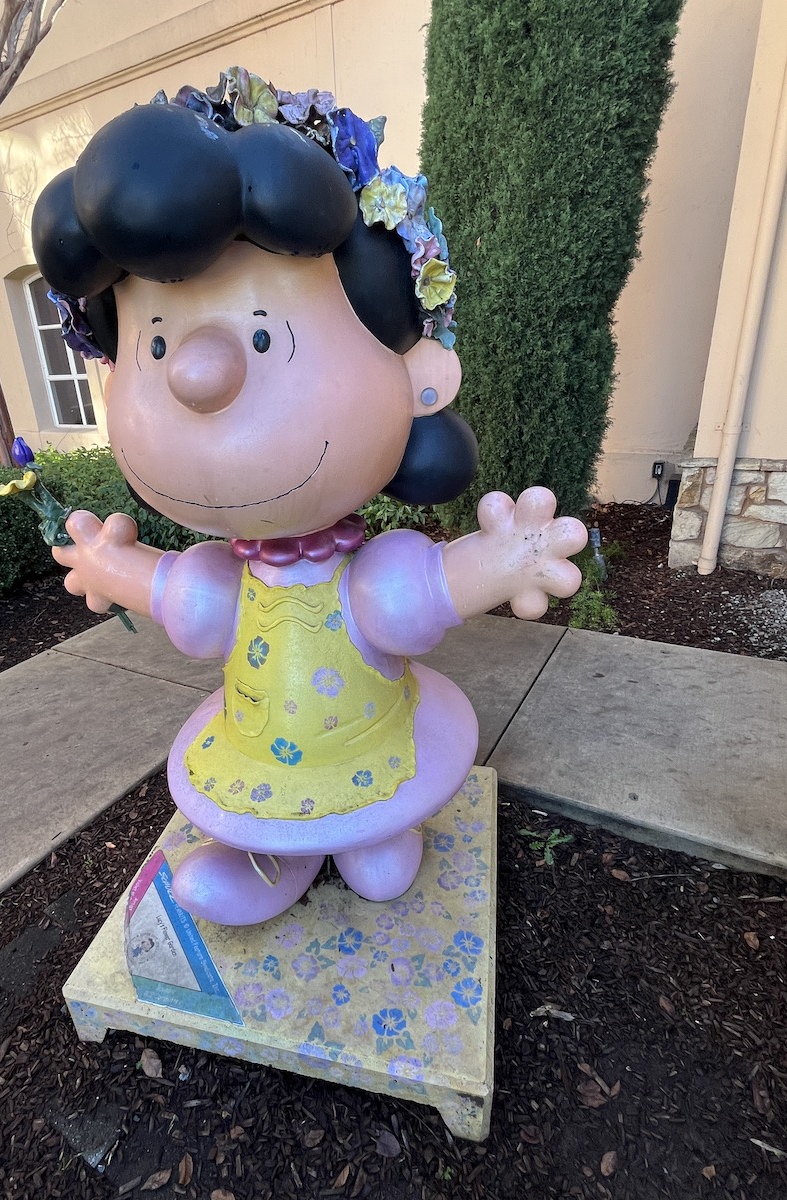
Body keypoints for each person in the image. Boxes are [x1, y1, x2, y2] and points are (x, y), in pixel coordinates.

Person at [32, 70, 586, 925]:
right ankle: (274, 857)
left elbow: (424, 592)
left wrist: (509, 558)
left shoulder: (371, 582)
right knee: (281, 816)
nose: (196, 374)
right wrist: (112, 567)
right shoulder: (227, 576)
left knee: (379, 855)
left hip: (368, 738)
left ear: (417, 374)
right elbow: (185, 594)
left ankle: (371, 829)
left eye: (262, 334)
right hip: (259, 749)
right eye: (155, 342)